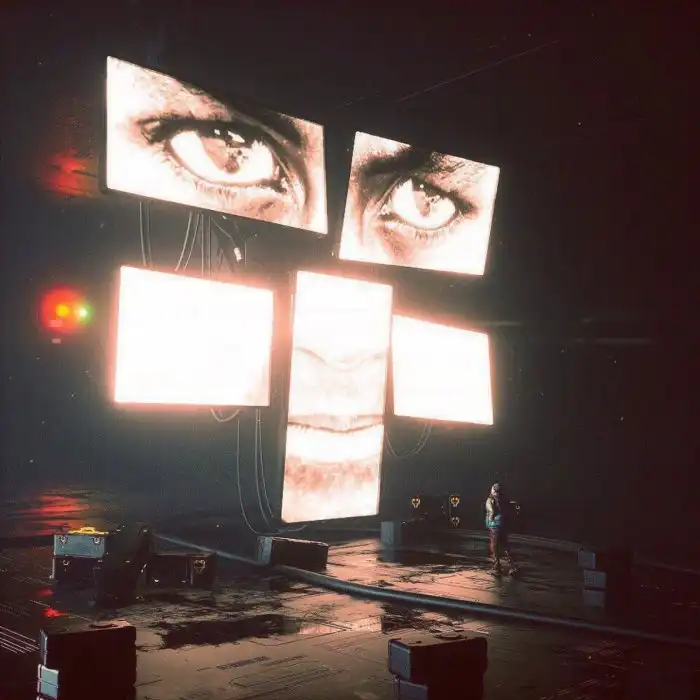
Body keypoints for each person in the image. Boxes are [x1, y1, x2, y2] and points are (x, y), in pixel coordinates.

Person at [485, 483, 518, 575]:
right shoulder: (505, 499)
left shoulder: (490, 499)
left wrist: (491, 518)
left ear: (493, 490)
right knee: (505, 545)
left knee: (494, 547)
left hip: (495, 526)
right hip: (503, 525)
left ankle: (497, 568)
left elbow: (491, 511)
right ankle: (513, 566)